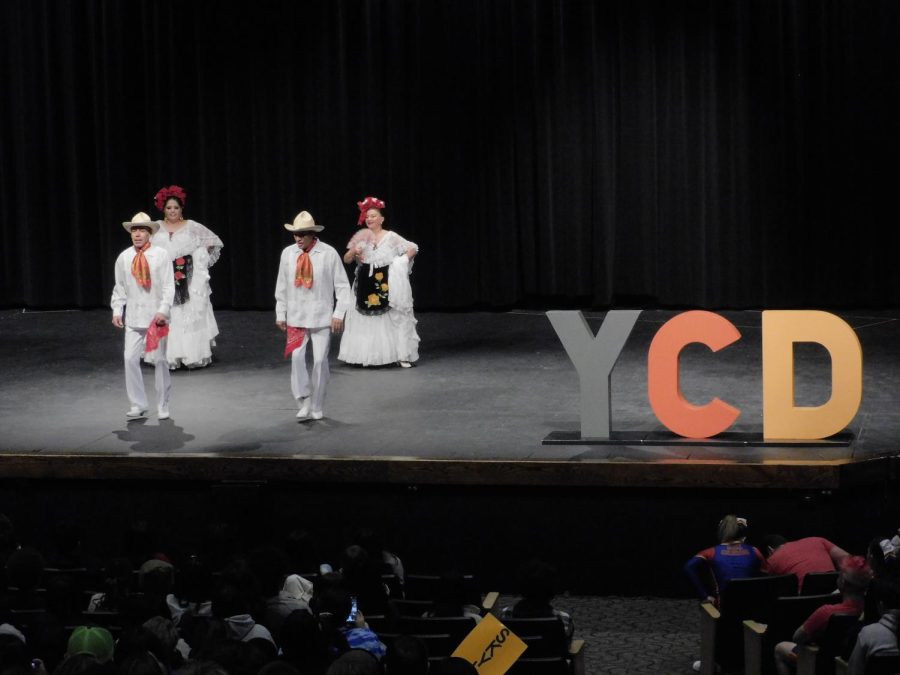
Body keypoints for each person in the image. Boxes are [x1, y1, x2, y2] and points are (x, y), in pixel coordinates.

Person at [275, 211, 352, 421]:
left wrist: (338, 314)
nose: (298, 239)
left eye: (302, 234)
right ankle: (303, 399)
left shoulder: (328, 253)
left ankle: (317, 403)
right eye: (295, 235)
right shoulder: (288, 254)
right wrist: (280, 312)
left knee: (319, 361)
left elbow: (343, 286)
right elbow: (282, 285)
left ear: (312, 234)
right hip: (296, 316)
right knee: (297, 358)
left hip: (320, 316)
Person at [338, 196, 419, 368]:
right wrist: (353, 252)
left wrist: (401, 261)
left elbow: (412, 248)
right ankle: (364, 355)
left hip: (385, 281)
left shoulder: (391, 237)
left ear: (381, 219)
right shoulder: (361, 237)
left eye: (374, 216)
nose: (370, 219)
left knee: (391, 317)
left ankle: (400, 354)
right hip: (364, 282)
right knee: (364, 320)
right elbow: (346, 259)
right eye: (367, 216)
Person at [149, 184, 224, 369]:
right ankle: (167, 355)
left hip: (187, 278)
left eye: (176, 207)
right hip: (163, 278)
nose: (172, 211)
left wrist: (197, 259)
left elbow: (214, 242)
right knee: (167, 312)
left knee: (185, 315)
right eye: (169, 208)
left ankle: (190, 355)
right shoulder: (156, 227)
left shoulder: (191, 226)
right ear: (163, 209)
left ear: (181, 208)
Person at [111, 213, 175, 419]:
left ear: (149, 233)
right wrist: (117, 310)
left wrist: (163, 309)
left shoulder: (161, 255)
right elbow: (119, 287)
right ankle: (138, 403)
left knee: (159, 360)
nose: (137, 234)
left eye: (141, 230)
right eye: (134, 230)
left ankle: (163, 404)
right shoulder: (124, 257)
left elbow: (168, 286)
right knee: (129, 358)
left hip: (156, 317)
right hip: (135, 317)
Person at [773, 556, 872, 675]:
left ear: (843, 582)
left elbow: (797, 637)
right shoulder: (872, 610)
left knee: (780, 648)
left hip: (820, 665)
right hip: (852, 665)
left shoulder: (826, 612)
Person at [684, 515, 766, 606]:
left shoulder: (711, 552)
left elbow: (689, 567)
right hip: (753, 607)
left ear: (721, 533)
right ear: (743, 535)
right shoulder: (755, 551)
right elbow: (767, 575)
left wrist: (704, 596)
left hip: (724, 610)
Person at [762, 534, 849, 592]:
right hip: (836, 595)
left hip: (805, 605)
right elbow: (849, 560)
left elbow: (773, 590)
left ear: (770, 550)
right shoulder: (817, 540)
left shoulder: (772, 559)